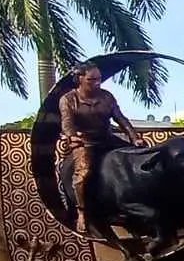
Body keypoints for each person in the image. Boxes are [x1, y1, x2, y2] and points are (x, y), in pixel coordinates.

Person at [57, 63, 141, 233]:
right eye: (91, 80)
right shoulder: (68, 99)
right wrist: (73, 136)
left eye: (99, 79)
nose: (97, 83)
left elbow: (120, 119)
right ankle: (82, 212)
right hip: (85, 142)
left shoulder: (106, 97)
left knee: (138, 157)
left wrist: (134, 137)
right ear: (79, 79)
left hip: (107, 139)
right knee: (83, 174)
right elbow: (67, 123)